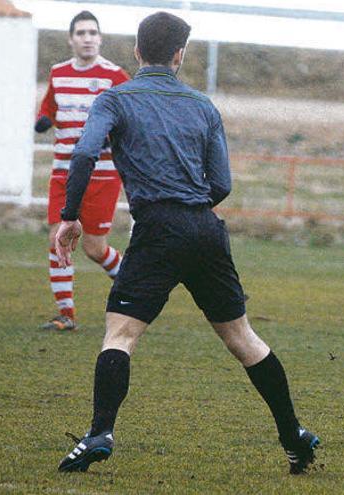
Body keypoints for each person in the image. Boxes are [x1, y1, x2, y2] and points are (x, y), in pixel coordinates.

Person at [53, 12, 319, 474]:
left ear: (137, 51)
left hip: (158, 229)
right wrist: (191, 205)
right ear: (179, 55)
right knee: (243, 338)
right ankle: (293, 434)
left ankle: (100, 432)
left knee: (121, 333)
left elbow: (82, 152)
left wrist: (70, 216)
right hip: (206, 229)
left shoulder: (114, 99)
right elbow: (222, 183)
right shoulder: (202, 106)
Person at [35, 11, 130, 331]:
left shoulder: (115, 76)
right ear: (71, 39)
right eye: (81, 33)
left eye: (92, 32)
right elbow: (48, 107)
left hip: (101, 174)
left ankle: (136, 286)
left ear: (100, 38)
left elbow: (132, 116)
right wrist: (44, 119)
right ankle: (66, 314)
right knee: (56, 240)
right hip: (64, 171)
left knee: (94, 248)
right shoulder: (58, 73)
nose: (87, 38)